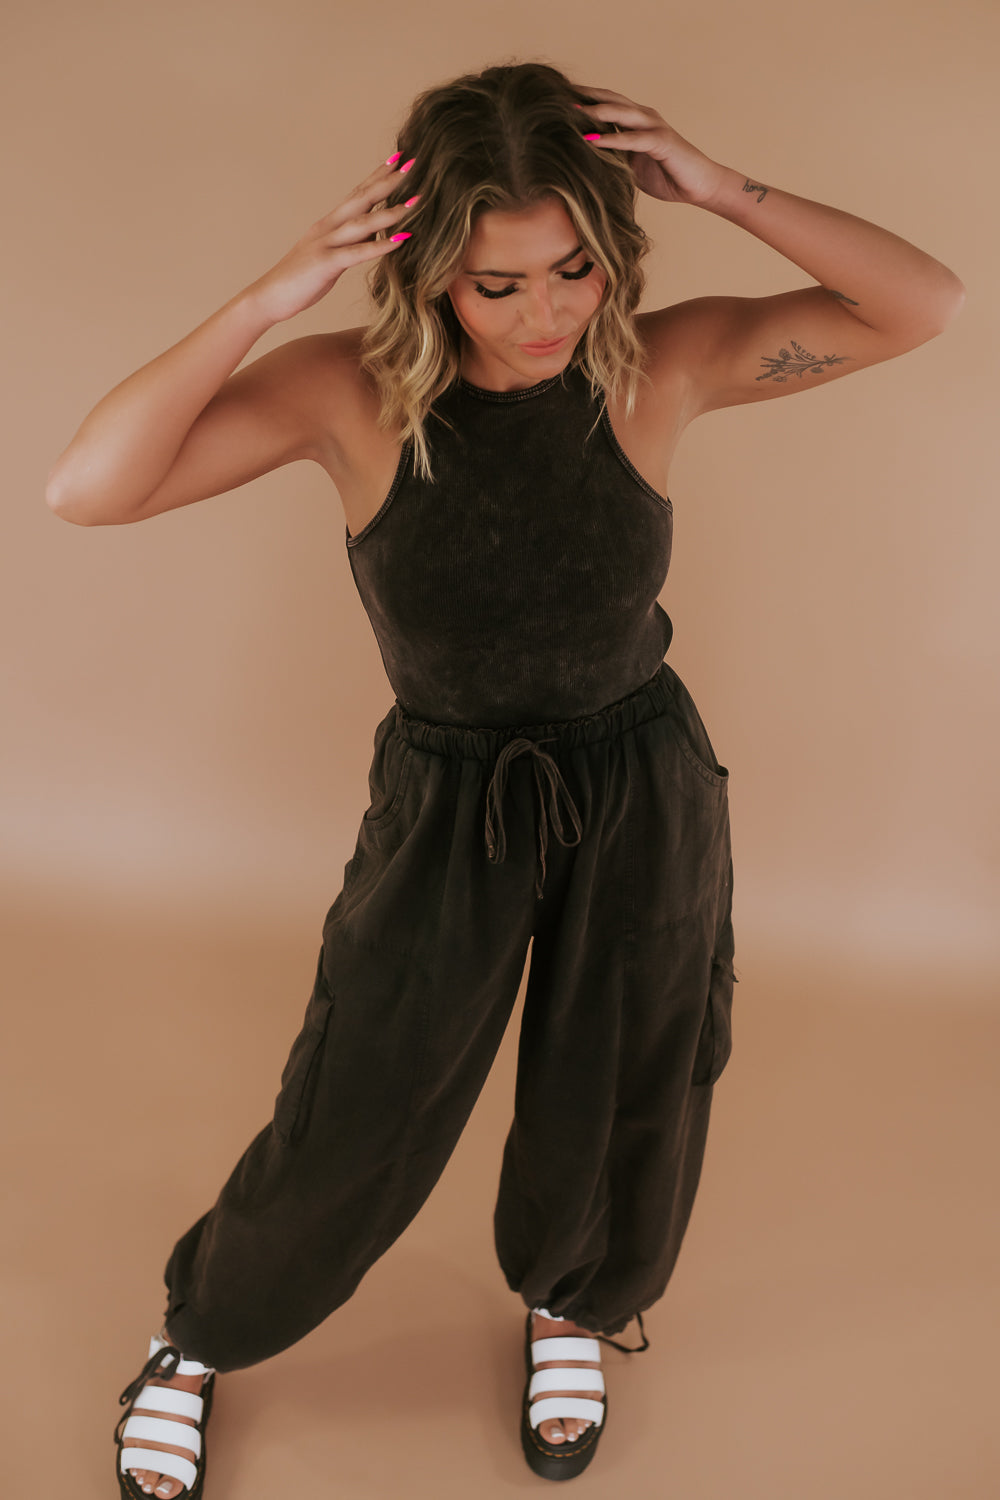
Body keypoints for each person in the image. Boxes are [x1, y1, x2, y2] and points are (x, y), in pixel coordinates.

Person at [46, 60, 964, 1497]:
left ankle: (571, 1305)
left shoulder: (654, 366)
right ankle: (199, 1337)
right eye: (498, 284)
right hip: (447, 803)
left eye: (576, 267)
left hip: (640, 782)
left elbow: (924, 304)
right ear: (426, 272)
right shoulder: (349, 395)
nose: (547, 314)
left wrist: (723, 188)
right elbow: (87, 488)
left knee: (624, 1082)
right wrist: (269, 297)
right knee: (362, 1101)